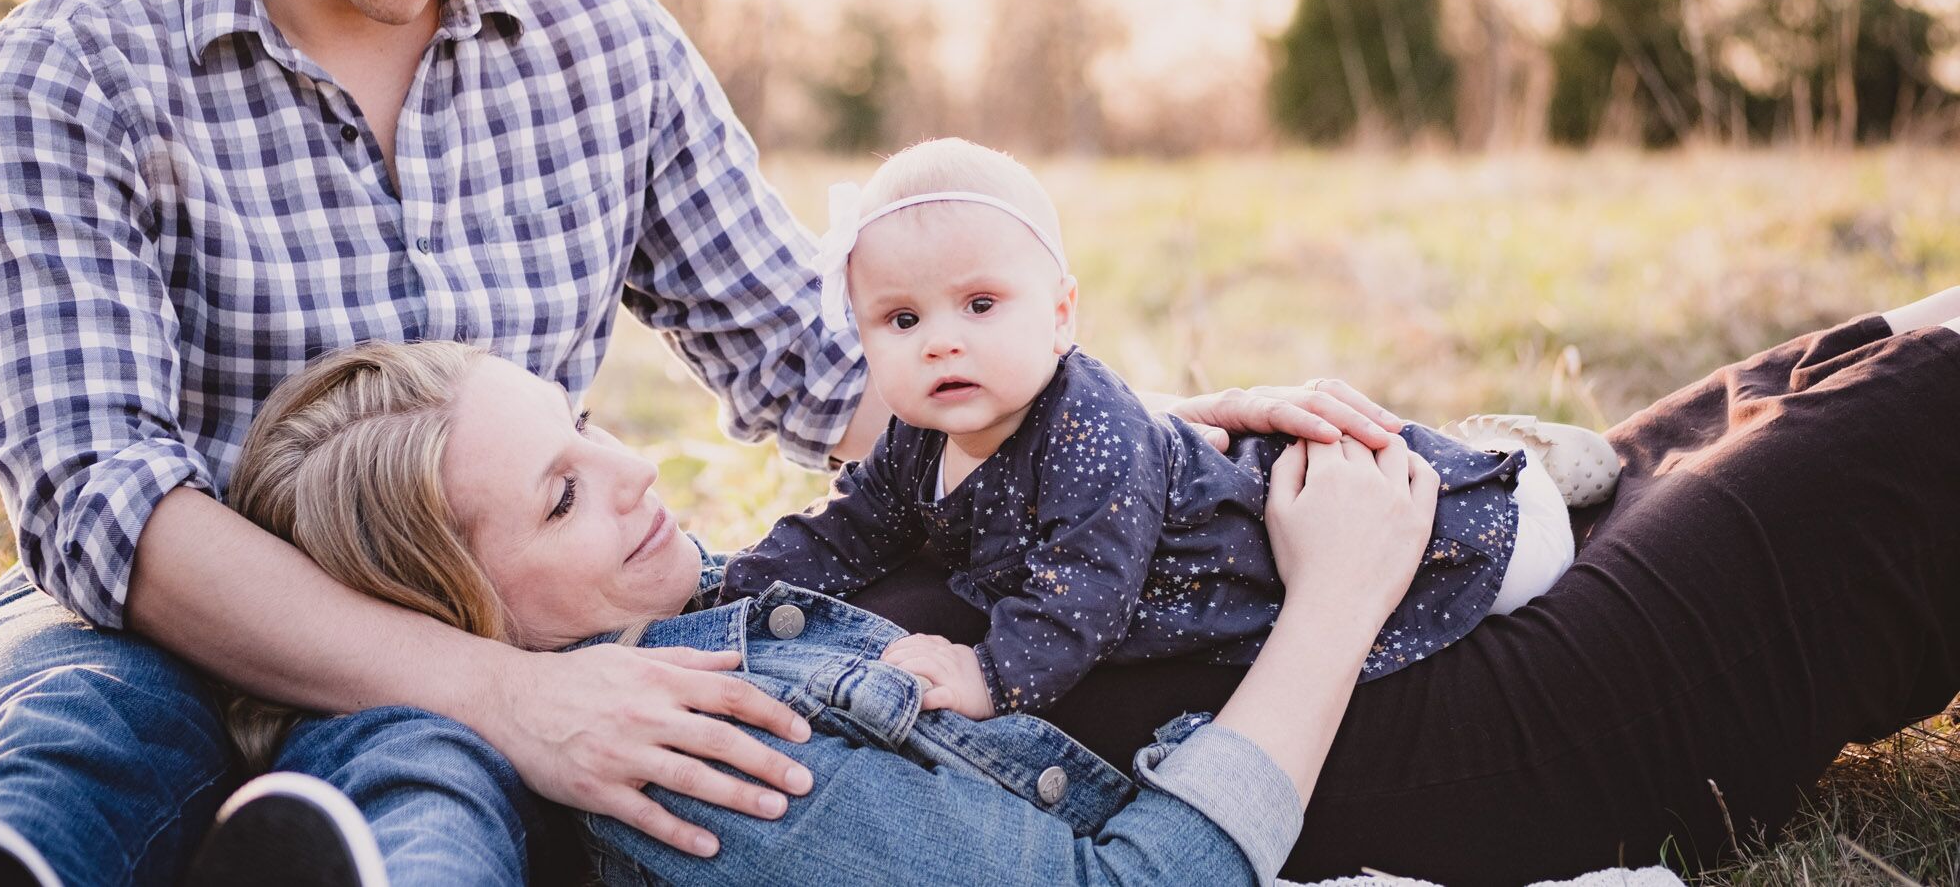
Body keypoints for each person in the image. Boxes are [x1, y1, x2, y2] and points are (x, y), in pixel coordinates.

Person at [0, 0, 1379, 887]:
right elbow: (103, 500)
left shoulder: (600, 52)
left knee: (427, 778)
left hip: (502, 620)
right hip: (189, 634)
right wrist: (506, 693)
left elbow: (815, 356)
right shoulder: (74, 71)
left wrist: (1096, 434)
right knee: (92, 721)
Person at [218, 338, 1444, 887]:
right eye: (561, 498)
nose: (635, 470)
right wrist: (1337, 598)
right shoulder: (702, 753)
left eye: (582, 426)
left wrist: (1131, 439)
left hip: (1364, 585)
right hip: (1413, 708)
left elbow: (906, 465)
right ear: (456, 619)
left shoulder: (710, 607)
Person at [848, 289, 1960, 884]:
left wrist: (1147, 439)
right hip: (1407, 733)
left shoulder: (746, 609)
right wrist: (1337, 593)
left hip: (1312, 599)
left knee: (1784, 387)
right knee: (1904, 422)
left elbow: (901, 408)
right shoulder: (739, 801)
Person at [721, 138, 1610, 718]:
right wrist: (733, 584)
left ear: (1061, 314)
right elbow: (851, 526)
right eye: (902, 319)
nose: (941, 340)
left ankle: (1519, 469)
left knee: (1519, 580)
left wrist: (988, 675)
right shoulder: (918, 436)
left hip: (1441, 536)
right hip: (1252, 561)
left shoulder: (1091, 431)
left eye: (981, 303)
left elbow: (1085, 590)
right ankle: (1498, 455)